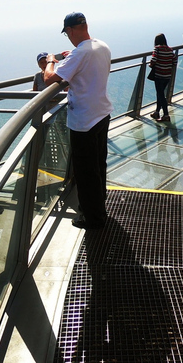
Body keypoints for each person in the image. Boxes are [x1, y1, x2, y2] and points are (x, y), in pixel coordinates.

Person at [44, 12, 113, 229]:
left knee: (86, 172)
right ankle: (99, 206)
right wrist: (72, 56)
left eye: (67, 33)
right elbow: (83, 61)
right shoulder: (101, 45)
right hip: (102, 113)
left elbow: (49, 79)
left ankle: (93, 219)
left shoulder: (80, 54)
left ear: (71, 30)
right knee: (98, 164)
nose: (69, 37)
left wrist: (51, 62)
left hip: (84, 121)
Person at [149, 33, 177, 122]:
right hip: (167, 75)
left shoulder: (157, 49)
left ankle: (166, 115)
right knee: (160, 94)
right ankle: (157, 112)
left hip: (159, 75)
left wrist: (151, 64)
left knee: (161, 95)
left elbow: (153, 60)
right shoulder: (170, 49)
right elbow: (175, 61)